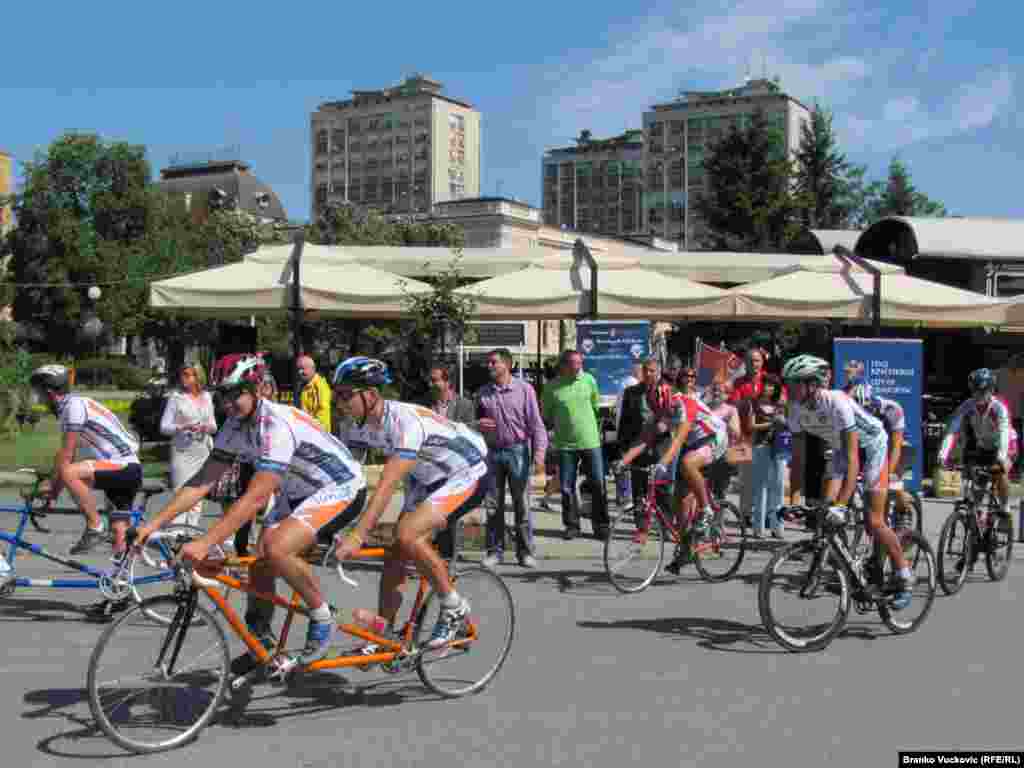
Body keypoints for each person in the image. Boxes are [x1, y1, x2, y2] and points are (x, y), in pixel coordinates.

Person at [135, 354, 368, 673]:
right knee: (260, 563)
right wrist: (153, 524)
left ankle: (322, 617)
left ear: (257, 389)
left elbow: (257, 497)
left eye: (235, 395)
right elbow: (203, 480)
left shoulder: (276, 425)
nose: (228, 404)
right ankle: (263, 646)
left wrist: (206, 542)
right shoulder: (235, 424)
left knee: (276, 548)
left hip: (341, 488)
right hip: (298, 492)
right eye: (222, 396)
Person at [332, 357, 489, 649]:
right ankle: (387, 635)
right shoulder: (354, 425)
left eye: (345, 395)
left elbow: (387, 485)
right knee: (395, 553)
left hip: (465, 472)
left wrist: (357, 535)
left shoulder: (405, 422)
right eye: (336, 395)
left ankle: (454, 607)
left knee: (408, 534)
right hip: (426, 478)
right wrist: (331, 525)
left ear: (370, 395)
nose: (340, 403)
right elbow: (346, 479)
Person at [783, 354, 914, 610]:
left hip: (872, 446)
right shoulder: (795, 409)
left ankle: (904, 575)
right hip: (840, 450)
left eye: (795, 382)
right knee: (823, 508)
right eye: (789, 382)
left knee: (873, 520)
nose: (790, 388)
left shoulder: (837, 402)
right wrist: (792, 501)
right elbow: (798, 460)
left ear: (812, 384)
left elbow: (854, 459)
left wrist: (841, 505)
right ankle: (847, 567)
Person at [29, 364, 143, 617]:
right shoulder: (74, 405)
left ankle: (94, 526)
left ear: (49, 392)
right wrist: (55, 491)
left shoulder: (72, 408)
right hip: (123, 466)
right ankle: (118, 593)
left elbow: (67, 457)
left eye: (38, 392)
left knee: (70, 472)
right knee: (120, 533)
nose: (36, 398)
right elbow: (65, 457)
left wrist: (54, 489)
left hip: (123, 465)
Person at [617, 376, 729, 574]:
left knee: (687, 463)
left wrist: (662, 464)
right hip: (692, 444)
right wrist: (623, 461)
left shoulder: (685, 405)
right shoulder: (661, 409)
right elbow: (643, 439)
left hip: (714, 438)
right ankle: (686, 550)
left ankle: (706, 510)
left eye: (664, 410)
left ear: (670, 401)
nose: (662, 414)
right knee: (679, 503)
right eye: (658, 411)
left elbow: (677, 441)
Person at [476, 348, 548, 569]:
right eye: (489, 363)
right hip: (492, 453)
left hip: (518, 451)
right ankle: (494, 552)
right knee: (493, 506)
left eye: (493, 362)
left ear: (507, 365)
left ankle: (525, 552)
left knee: (522, 505)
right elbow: (475, 423)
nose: (489, 366)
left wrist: (539, 456)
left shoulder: (524, 390)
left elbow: (536, 425)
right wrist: (478, 426)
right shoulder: (483, 393)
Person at [541, 350, 609, 541]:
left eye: (580, 363)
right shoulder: (551, 387)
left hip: (590, 442)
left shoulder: (589, 380)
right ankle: (572, 526)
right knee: (567, 487)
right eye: (573, 363)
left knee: (597, 484)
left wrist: (592, 430)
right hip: (565, 445)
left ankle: (601, 527)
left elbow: (595, 408)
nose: (578, 367)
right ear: (563, 366)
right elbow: (546, 415)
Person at [939, 368, 1013, 530]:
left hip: (1005, 443)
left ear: (991, 390)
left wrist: (1001, 457)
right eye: (975, 391)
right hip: (984, 446)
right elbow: (954, 429)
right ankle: (978, 523)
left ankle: (1005, 507)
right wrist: (943, 454)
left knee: (1000, 471)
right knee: (977, 482)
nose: (978, 394)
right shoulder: (968, 406)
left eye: (983, 391)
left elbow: (1004, 430)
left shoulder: (998, 407)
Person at [848, 381, 914, 528]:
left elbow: (896, 447)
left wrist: (888, 474)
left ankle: (904, 509)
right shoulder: (848, 412)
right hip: (871, 446)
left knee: (892, 484)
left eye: (866, 409)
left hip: (898, 446)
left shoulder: (892, 409)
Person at [160, 361, 217, 528]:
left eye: (188, 375)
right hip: (182, 451)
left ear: (197, 376)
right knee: (181, 491)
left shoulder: (206, 397)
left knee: (197, 493)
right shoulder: (176, 398)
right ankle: (176, 529)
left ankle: (191, 529)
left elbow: (214, 426)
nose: (183, 379)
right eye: (182, 375)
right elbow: (164, 427)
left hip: (202, 449)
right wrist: (182, 427)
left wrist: (205, 427)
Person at [749, 374, 786, 538]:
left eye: (771, 385)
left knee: (778, 486)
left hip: (780, 446)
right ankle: (758, 528)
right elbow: (750, 426)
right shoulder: (754, 402)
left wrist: (784, 420)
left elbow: (790, 423)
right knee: (761, 487)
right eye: (765, 384)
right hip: (761, 446)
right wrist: (772, 423)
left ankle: (778, 526)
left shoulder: (781, 404)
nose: (767, 388)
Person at [297, 355, 332, 433]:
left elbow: (323, 412)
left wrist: (314, 431)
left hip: (318, 434)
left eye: (303, 368)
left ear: (312, 368)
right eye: (299, 369)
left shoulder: (320, 385)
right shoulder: (305, 386)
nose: (300, 372)